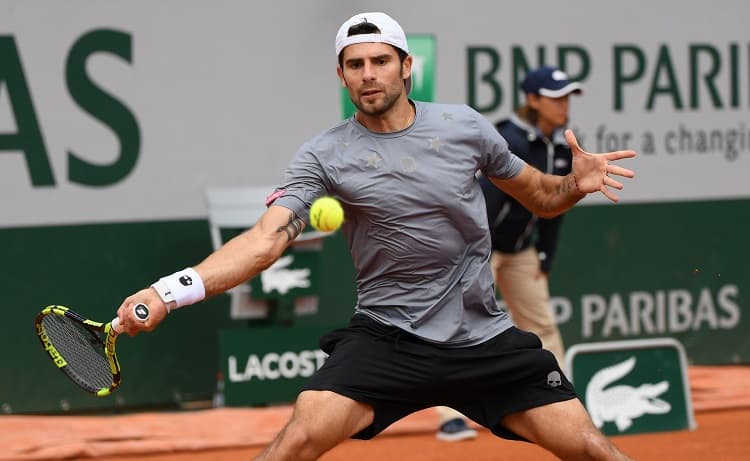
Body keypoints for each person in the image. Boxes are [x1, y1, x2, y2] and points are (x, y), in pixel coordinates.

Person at [116, 12, 636, 461]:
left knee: (591, 447)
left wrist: (575, 183)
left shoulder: (466, 128)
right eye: (355, 64)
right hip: (388, 339)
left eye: (381, 61)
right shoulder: (323, 155)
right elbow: (264, 241)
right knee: (297, 439)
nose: (369, 74)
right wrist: (168, 292)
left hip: (483, 338)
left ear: (407, 67)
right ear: (341, 76)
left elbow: (542, 196)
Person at [435, 66, 583, 441]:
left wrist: (547, 254)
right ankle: (450, 416)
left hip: (521, 251)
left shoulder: (567, 144)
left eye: (567, 97)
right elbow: (482, 203)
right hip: (475, 247)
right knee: (454, 328)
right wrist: (472, 254)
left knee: (543, 324)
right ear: (533, 100)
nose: (564, 105)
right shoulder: (507, 138)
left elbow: (557, 202)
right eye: (555, 97)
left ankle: (562, 401)